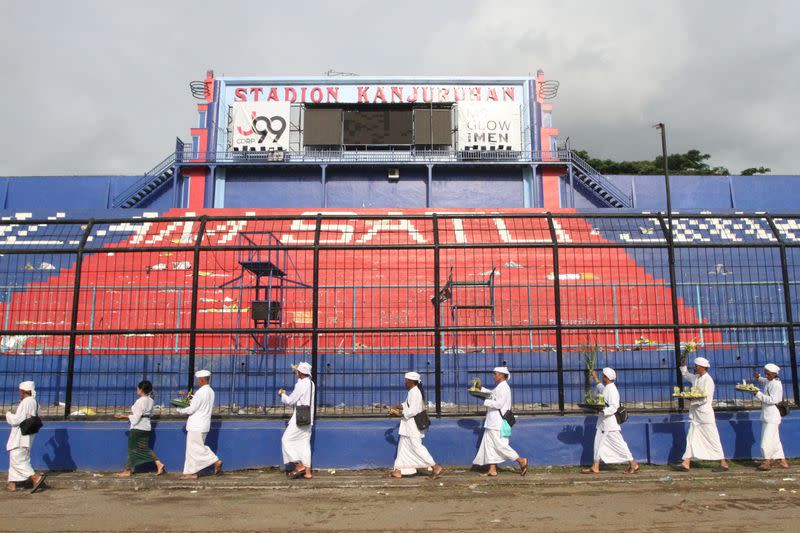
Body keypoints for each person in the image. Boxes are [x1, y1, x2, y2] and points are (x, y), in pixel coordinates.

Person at [673, 356, 729, 472]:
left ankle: (723, 463)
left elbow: (704, 399)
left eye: (696, 366)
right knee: (691, 437)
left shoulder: (708, 380)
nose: (695, 368)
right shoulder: (697, 378)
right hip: (696, 415)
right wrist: (683, 366)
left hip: (705, 415)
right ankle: (686, 462)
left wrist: (690, 399)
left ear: (702, 367)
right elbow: (687, 376)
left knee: (712, 438)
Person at [472, 366, 528, 477]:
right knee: (489, 446)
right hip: (492, 422)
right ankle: (492, 470)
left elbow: (498, 404)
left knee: (500, 445)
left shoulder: (504, 388)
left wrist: (485, 401)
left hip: (497, 422)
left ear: (502, 375)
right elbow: (492, 394)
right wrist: (481, 388)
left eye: (495, 374)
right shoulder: (500, 387)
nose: (494, 376)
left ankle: (521, 461)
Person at [581, 368, 638, 474]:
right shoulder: (608, 387)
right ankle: (595, 466)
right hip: (603, 423)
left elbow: (614, 407)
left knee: (619, 444)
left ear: (606, 377)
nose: (602, 377)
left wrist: (602, 411)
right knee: (597, 443)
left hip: (610, 423)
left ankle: (633, 464)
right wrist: (595, 378)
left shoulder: (612, 390)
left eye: (602, 375)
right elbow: (601, 388)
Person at [389, 371, 442, 479]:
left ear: (411, 381)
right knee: (402, 447)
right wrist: (396, 406)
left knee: (417, 447)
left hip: (412, 426)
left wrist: (398, 414)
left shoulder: (415, 392)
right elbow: (406, 404)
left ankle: (435, 467)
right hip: (408, 426)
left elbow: (413, 410)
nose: (405, 382)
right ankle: (398, 470)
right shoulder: (412, 391)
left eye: (406, 380)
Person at [177, 370, 222, 479]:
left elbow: (192, 409)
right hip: (204, 424)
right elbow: (200, 402)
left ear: (202, 380)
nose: (198, 382)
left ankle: (214, 460)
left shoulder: (200, 392)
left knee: (194, 449)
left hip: (196, 425)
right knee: (195, 448)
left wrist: (180, 410)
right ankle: (191, 472)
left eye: (198, 380)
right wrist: (188, 396)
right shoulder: (211, 391)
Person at [114, 380, 165, 477]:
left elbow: (137, 416)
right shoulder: (151, 400)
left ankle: (127, 470)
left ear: (141, 389)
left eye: (137, 388)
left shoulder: (140, 401)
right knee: (144, 447)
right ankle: (159, 464)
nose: (136, 390)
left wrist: (124, 416)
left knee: (131, 449)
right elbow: (151, 414)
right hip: (146, 427)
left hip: (138, 428)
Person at [5, 381, 47, 493]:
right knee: (18, 459)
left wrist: (8, 415)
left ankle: (35, 477)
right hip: (28, 436)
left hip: (20, 437)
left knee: (17, 459)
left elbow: (17, 420)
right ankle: (11, 484)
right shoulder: (34, 402)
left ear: (23, 391)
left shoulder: (26, 402)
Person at [279, 362, 315, 479]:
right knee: (305, 444)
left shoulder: (300, 385)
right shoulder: (311, 383)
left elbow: (290, 401)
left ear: (300, 372)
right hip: (309, 417)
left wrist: (282, 395)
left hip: (299, 418)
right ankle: (308, 472)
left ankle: (298, 465)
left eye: (297, 371)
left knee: (286, 440)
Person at [751, 363, 789, 470]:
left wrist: (757, 393)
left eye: (768, 374)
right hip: (769, 415)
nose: (766, 376)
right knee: (775, 440)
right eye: (765, 374)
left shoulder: (776, 385)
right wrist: (759, 378)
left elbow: (773, 400)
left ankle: (767, 461)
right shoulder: (771, 380)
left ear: (774, 374)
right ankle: (783, 462)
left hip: (772, 416)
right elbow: (766, 382)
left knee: (766, 440)